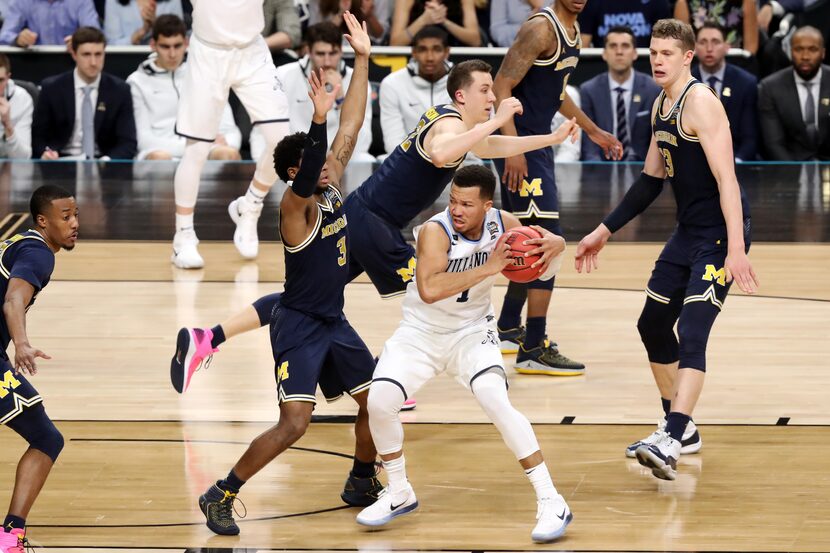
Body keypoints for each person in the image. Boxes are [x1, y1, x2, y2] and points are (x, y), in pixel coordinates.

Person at [170, 60, 578, 404]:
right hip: (374, 225)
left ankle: (209, 336)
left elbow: (485, 148)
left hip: (358, 213)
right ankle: (391, 375)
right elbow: (442, 151)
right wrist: (501, 120)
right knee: (429, 289)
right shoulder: (448, 128)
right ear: (462, 96)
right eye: (486, 90)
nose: (493, 97)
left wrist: (549, 139)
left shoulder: (453, 123)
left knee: (304, 297)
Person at [196, 13, 383, 537]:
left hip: (334, 320)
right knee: (294, 424)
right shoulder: (293, 208)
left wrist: (364, 59)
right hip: (297, 325)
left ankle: (361, 479)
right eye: (312, 162)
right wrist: (317, 118)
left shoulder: (331, 183)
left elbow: (352, 124)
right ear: (293, 173)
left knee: (379, 401)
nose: (324, 164)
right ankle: (221, 492)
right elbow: (324, 142)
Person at [575, 18, 759, 481]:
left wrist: (737, 248)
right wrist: (604, 229)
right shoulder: (661, 105)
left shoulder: (702, 104)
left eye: (666, 54)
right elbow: (650, 181)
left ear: (687, 58)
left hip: (719, 236)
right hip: (687, 232)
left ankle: (672, 439)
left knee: (693, 330)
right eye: (652, 52)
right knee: (652, 323)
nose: (656, 59)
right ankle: (680, 425)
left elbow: (728, 181)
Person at [355, 165, 573, 543]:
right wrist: (490, 267)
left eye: (466, 204)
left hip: (473, 332)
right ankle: (398, 490)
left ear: (487, 206)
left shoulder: (504, 224)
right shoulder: (435, 232)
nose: (456, 209)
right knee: (380, 401)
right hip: (420, 333)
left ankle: (551, 499)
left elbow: (542, 258)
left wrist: (558, 244)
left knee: (495, 399)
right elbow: (428, 288)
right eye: (453, 200)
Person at [492, 0, 621, 376]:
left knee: (529, 238)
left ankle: (508, 328)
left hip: (537, 143)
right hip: (522, 145)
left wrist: (594, 131)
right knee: (547, 240)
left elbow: (555, 93)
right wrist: (511, 146)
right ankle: (533, 345)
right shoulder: (541, 29)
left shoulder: (573, 30)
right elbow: (502, 83)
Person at [171, 0, 290, 269]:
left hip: (252, 52)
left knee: (282, 143)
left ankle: (250, 205)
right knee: (197, 150)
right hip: (208, 54)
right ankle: (183, 236)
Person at [0, 185, 78, 553]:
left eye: (76, 215)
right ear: (43, 221)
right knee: (47, 439)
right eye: (66, 217)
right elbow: (14, 298)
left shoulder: (18, 241)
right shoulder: (38, 252)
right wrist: (22, 343)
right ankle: (9, 538)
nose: (74, 223)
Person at [127, 15, 242, 161]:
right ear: (153, 45)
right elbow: (143, 140)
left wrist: (227, 143)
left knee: (228, 154)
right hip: (163, 151)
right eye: (165, 47)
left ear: (186, 43)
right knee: (159, 158)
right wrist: (196, 147)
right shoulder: (136, 82)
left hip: (205, 150)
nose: (172, 54)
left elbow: (230, 129)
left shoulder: (206, 75)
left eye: (177, 45)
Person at [272, 22, 373, 163]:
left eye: (333, 53)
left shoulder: (357, 81)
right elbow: (269, 126)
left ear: (341, 51)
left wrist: (340, 100)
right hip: (295, 157)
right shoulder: (284, 74)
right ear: (308, 51)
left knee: (365, 160)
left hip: (338, 158)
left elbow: (363, 143)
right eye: (320, 54)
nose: (327, 62)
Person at [31, 27, 137, 160]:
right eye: (86, 54)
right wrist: (45, 153)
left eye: (98, 54)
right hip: (61, 162)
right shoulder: (52, 88)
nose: (93, 62)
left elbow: (128, 142)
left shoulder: (120, 90)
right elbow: (37, 137)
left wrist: (106, 162)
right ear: (74, 54)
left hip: (104, 162)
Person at [579, 25, 661, 162]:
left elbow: (657, 142)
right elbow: (589, 147)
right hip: (601, 170)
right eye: (613, 46)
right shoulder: (589, 90)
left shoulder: (653, 89)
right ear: (604, 54)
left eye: (625, 46)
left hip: (643, 169)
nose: (619, 52)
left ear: (635, 53)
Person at [758, 25, 829, 161]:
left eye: (812, 49)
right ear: (790, 52)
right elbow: (774, 144)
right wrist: (792, 174)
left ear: (823, 53)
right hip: (789, 170)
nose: (805, 56)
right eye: (798, 49)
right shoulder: (770, 87)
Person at [692, 20, 759, 162]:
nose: (709, 48)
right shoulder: (682, 84)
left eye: (715, 42)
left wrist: (734, 166)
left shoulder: (746, 83)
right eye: (703, 42)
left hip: (735, 161)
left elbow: (750, 138)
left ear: (727, 47)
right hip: (694, 163)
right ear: (695, 48)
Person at [379, 25, 451, 154]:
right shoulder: (392, 83)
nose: (430, 57)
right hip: (408, 162)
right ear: (414, 52)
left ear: (447, 52)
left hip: (458, 160)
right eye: (423, 50)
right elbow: (393, 142)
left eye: (437, 49)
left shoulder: (465, 82)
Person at [673, 0, 759, 55]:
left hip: (735, 63)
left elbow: (750, 50)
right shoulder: (684, 3)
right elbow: (685, 49)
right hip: (698, 66)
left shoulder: (745, 2)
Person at [0, 0, 99, 47]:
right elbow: (4, 36)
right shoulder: (22, 2)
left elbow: (95, 34)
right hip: (32, 61)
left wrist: (79, 40)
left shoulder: (81, 2)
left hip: (72, 61)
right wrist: (17, 39)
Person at [578, 0, 671, 48]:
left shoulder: (658, 2)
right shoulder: (591, 2)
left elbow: (664, 45)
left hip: (647, 66)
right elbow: (583, 47)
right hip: (602, 66)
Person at [390, 0, 481, 47]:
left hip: (456, 59)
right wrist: (423, 20)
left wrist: (444, 21)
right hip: (414, 59)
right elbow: (395, 43)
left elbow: (475, 40)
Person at [103, 0, 184, 45]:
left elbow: (179, 37)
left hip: (164, 59)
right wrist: (140, 33)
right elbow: (111, 44)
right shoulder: (113, 1)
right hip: (125, 61)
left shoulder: (173, 1)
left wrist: (156, 24)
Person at [0, 54, 33, 160]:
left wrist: (8, 126)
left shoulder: (22, 99)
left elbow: (23, 158)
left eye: (0, 80)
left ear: (8, 78)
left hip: (11, 172)